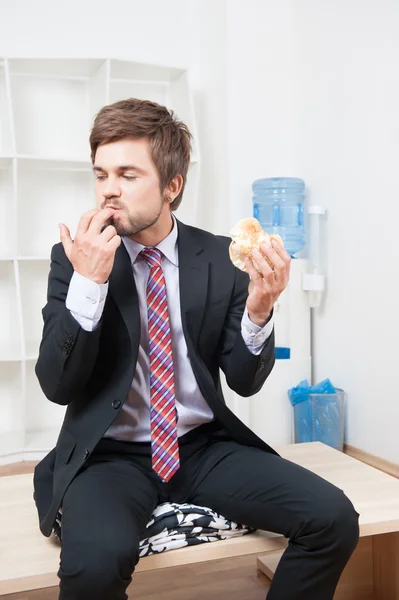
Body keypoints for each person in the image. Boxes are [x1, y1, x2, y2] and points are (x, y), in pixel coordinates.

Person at [33, 98, 359, 600]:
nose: (108, 191)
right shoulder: (74, 259)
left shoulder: (220, 260)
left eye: (127, 174)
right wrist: (89, 284)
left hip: (203, 446)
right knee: (95, 567)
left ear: (172, 186)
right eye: (100, 175)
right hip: (110, 454)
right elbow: (57, 386)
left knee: (333, 518)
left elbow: (244, 379)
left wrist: (258, 311)